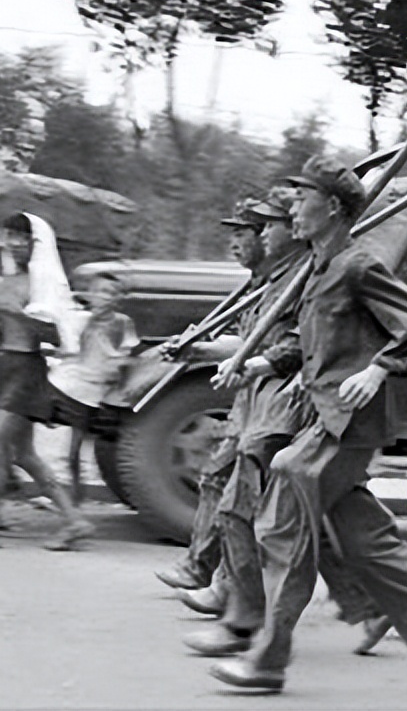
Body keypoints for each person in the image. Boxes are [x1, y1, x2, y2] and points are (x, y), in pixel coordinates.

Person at [209, 165, 407, 694]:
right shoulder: (320, 269)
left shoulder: (358, 265)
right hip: (324, 413)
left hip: (350, 421)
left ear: (333, 208)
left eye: (303, 199)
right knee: (362, 532)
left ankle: (268, 659)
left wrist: (378, 369)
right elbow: (325, 345)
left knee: (281, 522)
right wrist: (295, 374)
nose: (294, 208)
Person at [182, 189, 312, 658]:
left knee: (243, 512)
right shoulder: (275, 281)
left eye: (265, 226)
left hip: (281, 411)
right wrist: (199, 350)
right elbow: (251, 346)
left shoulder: (306, 277)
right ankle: (234, 599)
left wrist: (258, 364)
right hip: (257, 407)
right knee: (258, 515)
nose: (256, 236)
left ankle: (244, 619)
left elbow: (299, 347)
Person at [0, 213, 94, 551]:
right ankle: (74, 520)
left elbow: (55, 335)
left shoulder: (42, 282)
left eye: (22, 237)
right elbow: (3, 329)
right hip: (5, 366)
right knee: (23, 455)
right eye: (10, 236)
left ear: (36, 243)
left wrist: (17, 315)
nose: (14, 243)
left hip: (24, 371)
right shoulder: (10, 280)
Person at [155, 198, 266, 592]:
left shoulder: (289, 283)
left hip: (277, 401)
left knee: (254, 501)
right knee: (220, 482)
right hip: (250, 400)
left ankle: (229, 588)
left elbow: (275, 349)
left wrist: (232, 356)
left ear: (267, 234)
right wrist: (197, 350)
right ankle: (211, 575)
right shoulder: (256, 286)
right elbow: (245, 342)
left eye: (242, 234)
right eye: (231, 235)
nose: (234, 244)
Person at [46, 272, 138, 504]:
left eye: (111, 293)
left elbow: (124, 356)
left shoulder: (121, 323)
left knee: (77, 451)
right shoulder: (82, 321)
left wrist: (117, 368)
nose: (105, 298)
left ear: (118, 299)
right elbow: (73, 351)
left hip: (95, 392)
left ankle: (76, 497)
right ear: (90, 295)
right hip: (75, 386)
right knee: (71, 450)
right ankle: (72, 495)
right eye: (100, 292)